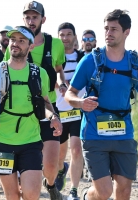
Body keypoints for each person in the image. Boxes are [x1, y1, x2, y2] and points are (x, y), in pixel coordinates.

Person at [65, 9, 138, 200]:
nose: (108, 33)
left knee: (124, 190)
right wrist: (81, 103)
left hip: (124, 134)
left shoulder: (136, 64)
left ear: (126, 32)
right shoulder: (90, 61)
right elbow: (70, 94)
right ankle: (86, 197)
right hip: (93, 135)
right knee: (105, 191)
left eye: (114, 29)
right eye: (106, 29)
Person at [0, 26, 62, 200]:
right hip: (1, 142)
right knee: (12, 195)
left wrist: (53, 117)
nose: (15, 44)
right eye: (13, 40)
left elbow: (45, 103)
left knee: (31, 194)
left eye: (21, 41)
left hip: (31, 141)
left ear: (31, 46)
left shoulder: (39, 73)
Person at [3, 2, 66, 199]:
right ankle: (28, 181)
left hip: (48, 107)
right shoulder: (14, 45)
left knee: (51, 163)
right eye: (27, 17)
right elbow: (6, 72)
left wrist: (63, 83)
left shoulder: (55, 44)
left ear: (43, 20)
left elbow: (58, 69)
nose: (31, 21)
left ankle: (51, 183)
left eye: (35, 17)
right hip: (21, 111)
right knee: (26, 156)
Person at [55, 22, 85, 200]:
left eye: (68, 34)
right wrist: (60, 85)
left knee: (76, 149)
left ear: (74, 37)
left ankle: (73, 190)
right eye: (62, 35)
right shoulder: (53, 59)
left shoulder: (83, 58)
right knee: (59, 154)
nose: (65, 38)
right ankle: (60, 170)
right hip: (57, 111)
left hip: (77, 111)